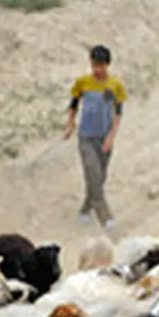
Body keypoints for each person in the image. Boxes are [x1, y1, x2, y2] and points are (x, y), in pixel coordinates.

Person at [63, 44, 127, 229]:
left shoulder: (115, 86)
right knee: (93, 173)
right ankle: (105, 217)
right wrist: (70, 124)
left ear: (107, 65)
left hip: (104, 138)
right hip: (86, 137)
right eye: (94, 65)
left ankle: (85, 209)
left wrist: (111, 137)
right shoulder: (82, 82)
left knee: (99, 177)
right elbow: (73, 104)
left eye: (101, 66)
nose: (97, 69)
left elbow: (118, 113)